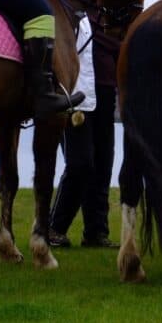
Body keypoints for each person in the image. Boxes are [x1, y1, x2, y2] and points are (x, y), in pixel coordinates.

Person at [49, 13, 119, 248]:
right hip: (75, 94)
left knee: (103, 164)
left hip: (106, 93)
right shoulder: (73, 9)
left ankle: (96, 232)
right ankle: (54, 227)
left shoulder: (113, 13)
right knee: (81, 162)